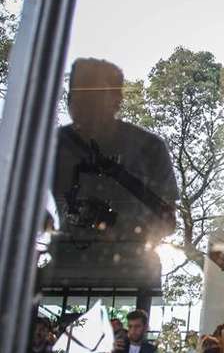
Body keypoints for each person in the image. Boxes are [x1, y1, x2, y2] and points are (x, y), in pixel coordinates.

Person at [41, 58, 178, 292]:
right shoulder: (50, 146)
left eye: (93, 96)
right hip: (65, 266)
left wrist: (113, 221)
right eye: (75, 94)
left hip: (127, 266)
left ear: (116, 101)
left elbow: (168, 222)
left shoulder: (149, 148)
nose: (80, 103)